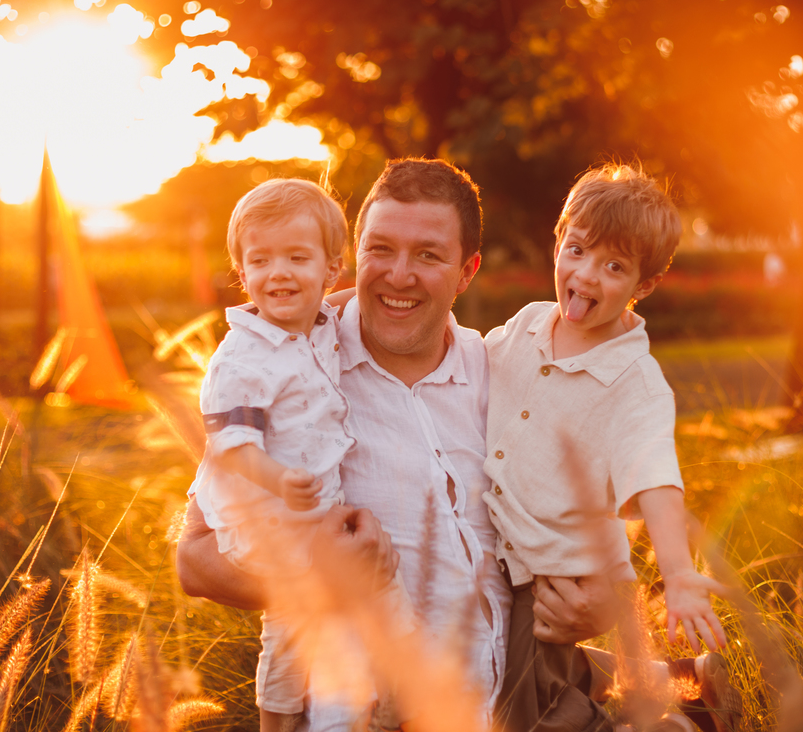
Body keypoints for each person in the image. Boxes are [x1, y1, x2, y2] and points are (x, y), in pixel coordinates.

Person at [180, 159, 627, 731]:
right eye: (380, 249)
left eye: (428, 255)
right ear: (353, 255)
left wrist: (598, 605)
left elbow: (591, 528)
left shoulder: (500, 375)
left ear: (466, 271)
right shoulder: (291, 375)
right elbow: (194, 560)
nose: (398, 275)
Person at [484, 164, 742, 732]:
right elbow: (461, 361)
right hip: (505, 553)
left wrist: (678, 573)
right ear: (558, 241)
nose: (586, 275)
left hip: (555, 574)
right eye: (577, 250)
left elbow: (655, 476)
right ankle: (684, 680)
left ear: (644, 285)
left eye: (614, 266)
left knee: (523, 712)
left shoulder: (636, 383)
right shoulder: (527, 324)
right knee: (518, 671)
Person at [188, 178, 413, 732]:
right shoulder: (242, 359)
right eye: (260, 260)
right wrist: (279, 479)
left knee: (380, 581)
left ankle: (399, 688)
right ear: (242, 272)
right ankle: (278, 718)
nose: (278, 273)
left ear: (330, 268)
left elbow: (346, 300)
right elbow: (232, 446)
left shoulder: (319, 324)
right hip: (268, 516)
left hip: (313, 508)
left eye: (297, 257)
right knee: (292, 625)